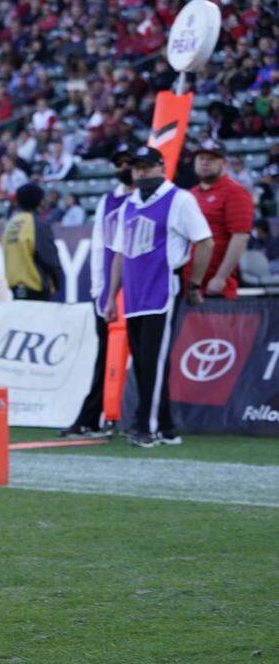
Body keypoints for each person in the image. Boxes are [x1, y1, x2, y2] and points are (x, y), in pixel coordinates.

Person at [104, 145, 213, 448]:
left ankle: (145, 426)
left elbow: (204, 241)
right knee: (144, 363)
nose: (140, 172)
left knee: (152, 361)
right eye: (136, 167)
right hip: (136, 294)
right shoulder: (129, 204)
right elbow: (118, 254)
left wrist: (194, 284)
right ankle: (165, 426)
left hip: (163, 288)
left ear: (161, 168)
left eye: (146, 167)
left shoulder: (179, 199)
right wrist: (111, 296)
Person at [62, 141, 136, 439]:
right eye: (119, 163)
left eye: (129, 162)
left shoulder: (151, 199)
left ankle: (138, 418)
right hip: (110, 293)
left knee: (143, 357)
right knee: (106, 356)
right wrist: (98, 290)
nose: (124, 168)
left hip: (142, 290)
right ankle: (93, 416)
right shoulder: (109, 200)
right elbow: (97, 246)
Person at [188, 139, 254, 299]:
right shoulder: (190, 194)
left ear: (224, 163)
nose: (204, 163)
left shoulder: (235, 192)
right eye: (201, 158)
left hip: (215, 287)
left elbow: (240, 237)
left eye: (211, 159)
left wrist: (220, 277)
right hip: (189, 284)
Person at [3, 182, 63, 300]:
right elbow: (49, 256)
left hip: (14, 287)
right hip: (35, 288)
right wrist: (58, 282)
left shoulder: (11, 224)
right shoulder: (37, 224)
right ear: (40, 201)